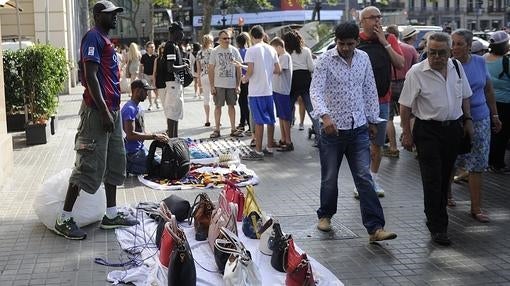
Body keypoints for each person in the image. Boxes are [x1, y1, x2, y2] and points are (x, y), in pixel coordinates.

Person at [54, 0, 138, 240]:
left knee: (114, 162)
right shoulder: (93, 37)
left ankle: (111, 215)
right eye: (110, 14)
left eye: (116, 14)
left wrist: (110, 111)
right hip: (96, 112)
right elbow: (90, 76)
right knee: (87, 164)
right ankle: (65, 218)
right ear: (98, 15)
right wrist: (102, 111)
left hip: (111, 111)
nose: (115, 18)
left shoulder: (105, 39)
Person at [310, 22, 397, 243]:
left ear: (357, 41)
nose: (345, 48)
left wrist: (372, 119)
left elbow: (369, 90)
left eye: (350, 44)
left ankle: (375, 228)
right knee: (330, 177)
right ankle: (326, 215)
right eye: (341, 44)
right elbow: (316, 92)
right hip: (332, 130)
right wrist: (325, 116)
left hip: (358, 127)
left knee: (364, 177)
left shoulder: (363, 59)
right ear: (335, 41)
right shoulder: (325, 60)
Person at [399, 32, 473, 246]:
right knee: (432, 179)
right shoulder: (416, 72)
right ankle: (438, 227)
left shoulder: (457, 67)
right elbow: (405, 106)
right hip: (427, 131)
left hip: (452, 130)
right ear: (426, 51)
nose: (437, 57)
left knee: (444, 178)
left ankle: (434, 214)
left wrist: (468, 120)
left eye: (441, 53)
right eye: (432, 52)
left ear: (450, 52)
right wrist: (406, 132)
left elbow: (465, 97)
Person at [448, 29, 502, 222]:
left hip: (480, 119)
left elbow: (488, 90)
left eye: (459, 44)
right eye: (452, 43)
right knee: (451, 161)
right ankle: (447, 196)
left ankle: (476, 208)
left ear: (469, 46)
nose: (454, 48)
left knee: (477, 165)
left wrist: (494, 114)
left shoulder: (480, 62)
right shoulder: (447, 64)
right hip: (454, 120)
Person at [356, 6, 404, 198]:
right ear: (362, 21)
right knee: (360, 143)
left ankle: (373, 179)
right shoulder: (356, 39)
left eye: (379, 17)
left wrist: (385, 42)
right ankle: (361, 180)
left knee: (377, 143)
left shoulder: (389, 39)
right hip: (358, 101)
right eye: (372, 18)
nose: (377, 21)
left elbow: (400, 63)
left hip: (382, 100)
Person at [241, 25, 281, 160]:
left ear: (252, 37)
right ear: (263, 35)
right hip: (268, 90)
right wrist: (266, 71)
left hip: (256, 91)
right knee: (270, 120)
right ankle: (269, 147)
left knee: (258, 121)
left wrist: (245, 78)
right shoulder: (271, 49)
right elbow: (278, 69)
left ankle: (258, 151)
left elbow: (250, 69)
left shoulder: (251, 50)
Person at [384, 25, 419, 158]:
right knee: (411, 115)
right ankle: (416, 146)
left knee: (389, 117)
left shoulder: (385, 49)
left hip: (389, 84)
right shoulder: (410, 49)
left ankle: (393, 148)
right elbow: (416, 67)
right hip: (405, 82)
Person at [122, 79, 169, 175]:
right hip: (133, 153)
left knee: (165, 163)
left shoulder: (139, 107)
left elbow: (142, 131)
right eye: (145, 91)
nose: (147, 95)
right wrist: (154, 136)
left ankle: (132, 166)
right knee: (161, 169)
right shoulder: (130, 109)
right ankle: (127, 165)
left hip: (141, 149)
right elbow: (130, 135)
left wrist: (157, 135)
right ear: (137, 91)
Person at [282, 30, 319, 146]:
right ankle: (320, 137)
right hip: (305, 81)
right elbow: (312, 68)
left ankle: (287, 139)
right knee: (312, 110)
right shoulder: (306, 51)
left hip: (292, 81)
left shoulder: (286, 53)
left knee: (287, 111)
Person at [208, 29, 244, 138]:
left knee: (232, 106)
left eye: (229, 38)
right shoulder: (215, 51)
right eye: (225, 38)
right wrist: (212, 85)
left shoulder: (234, 50)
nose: (227, 40)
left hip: (231, 84)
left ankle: (233, 129)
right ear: (219, 40)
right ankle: (217, 129)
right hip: (218, 84)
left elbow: (239, 69)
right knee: (218, 107)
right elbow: (210, 69)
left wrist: (238, 85)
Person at [485, 31, 510, 174]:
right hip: (505, 103)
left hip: (487, 102)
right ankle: (498, 163)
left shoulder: (483, 59)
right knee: (502, 134)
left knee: (490, 133)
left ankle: (488, 161)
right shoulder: (506, 61)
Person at [162, 22, 186, 138]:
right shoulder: (171, 46)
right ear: (175, 32)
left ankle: (174, 138)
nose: (182, 34)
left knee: (175, 113)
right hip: (173, 83)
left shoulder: (175, 45)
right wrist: (184, 67)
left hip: (176, 83)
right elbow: (170, 68)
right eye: (181, 31)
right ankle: (172, 139)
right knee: (172, 113)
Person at [270, 37, 294, 151]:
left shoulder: (284, 56)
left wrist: (267, 68)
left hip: (283, 91)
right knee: (281, 116)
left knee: (285, 117)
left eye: (274, 49)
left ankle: (288, 141)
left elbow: (279, 70)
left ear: (279, 47)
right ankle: (283, 139)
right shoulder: (281, 56)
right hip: (277, 90)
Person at [196, 34, 214, 127]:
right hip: (213, 76)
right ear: (210, 42)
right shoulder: (213, 51)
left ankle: (207, 119)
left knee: (206, 98)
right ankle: (216, 119)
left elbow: (198, 69)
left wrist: (198, 80)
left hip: (203, 76)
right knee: (216, 98)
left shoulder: (199, 53)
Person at [235, 32, 252, 134]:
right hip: (249, 78)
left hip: (242, 79)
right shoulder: (249, 51)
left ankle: (246, 124)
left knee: (243, 102)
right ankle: (243, 122)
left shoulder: (238, 52)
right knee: (245, 102)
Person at [139, 41, 158, 110]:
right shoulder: (144, 56)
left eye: (153, 47)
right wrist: (140, 75)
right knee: (149, 90)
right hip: (146, 75)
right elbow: (141, 66)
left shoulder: (156, 56)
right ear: (147, 48)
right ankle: (150, 104)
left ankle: (156, 100)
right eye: (150, 47)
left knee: (156, 90)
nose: (152, 48)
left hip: (155, 76)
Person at [152, 43, 167, 109]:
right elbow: (154, 72)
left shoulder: (169, 59)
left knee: (168, 101)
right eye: (162, 49)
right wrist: (154, 84)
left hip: (169, 82)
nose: (163, 52)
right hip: (160, 82)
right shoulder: (157, 60)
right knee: (163, 101)